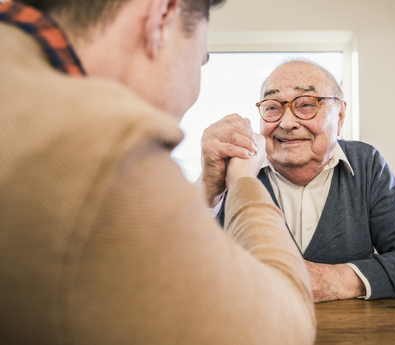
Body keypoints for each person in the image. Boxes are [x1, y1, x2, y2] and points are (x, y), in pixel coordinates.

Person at [0, 1, 317, 344]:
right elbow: (280, 330)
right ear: (161, 17)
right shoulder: (109, 150)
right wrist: (243, 178)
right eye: (200, 61)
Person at [201, 59, 395, 303]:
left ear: (340, 116)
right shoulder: (237, 164)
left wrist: (334, 280)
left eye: (307, 104)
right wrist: (208, 187)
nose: (287, 123)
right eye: (272, 107)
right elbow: (183, 266)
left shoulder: (365, 163)